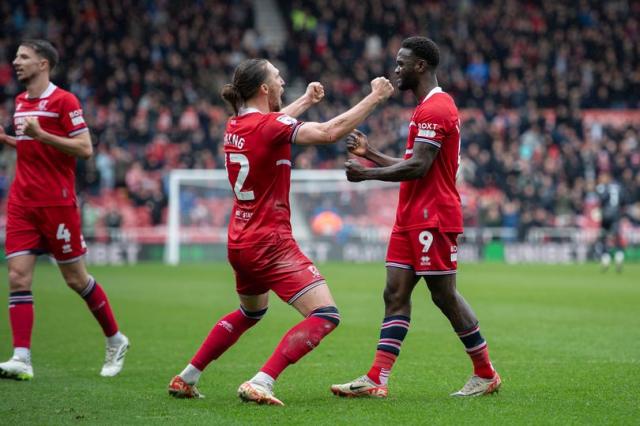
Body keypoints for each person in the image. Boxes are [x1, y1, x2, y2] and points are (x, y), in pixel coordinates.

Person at [167, 58, 393, 405]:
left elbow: (270, 125)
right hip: (270, 241)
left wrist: (304, 101)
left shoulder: (235, 125)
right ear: (264, 89)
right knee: (325, 315)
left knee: (250, 312)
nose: (283, 80)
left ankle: (188, 376)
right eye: (277, 77)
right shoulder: (269, 127)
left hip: (239, 239)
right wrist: (374, 97)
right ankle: (263, 380)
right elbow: (329, 132)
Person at [330, 36, 501, 398]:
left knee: (445, 296)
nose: (395, 69)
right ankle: (377, 378)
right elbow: (413, 161)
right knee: (394, 293)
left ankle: (486, 373)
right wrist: (371, 154)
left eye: (401, 62)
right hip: (410, 216)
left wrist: (366, 175)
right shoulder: (424, 108)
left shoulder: (438, 108)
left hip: (433, 217)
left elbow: (419, 166)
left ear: (420, 66)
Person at [0, 39, 129, 380]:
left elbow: (85, 148)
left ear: (43, 63)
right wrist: (9, 141)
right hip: (22, 203)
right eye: (16, 56)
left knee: (75, 278)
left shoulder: (64, 101)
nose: (16, 61)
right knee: (17, 276)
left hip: (57, 203)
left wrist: (42, 134)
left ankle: (115, 339)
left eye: (24, 57)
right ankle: (22, 357)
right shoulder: (18, 101)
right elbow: (31, 146)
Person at [595, 173, 626, 272]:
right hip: (616, 214)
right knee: (616, 236)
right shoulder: (619, 187)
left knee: (604, 236)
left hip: (606, 214)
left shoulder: (603, 187)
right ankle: (619, 257)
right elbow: (624, 200)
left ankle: (606, 259)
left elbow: (602, 199)